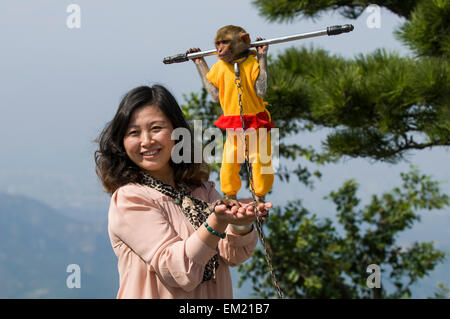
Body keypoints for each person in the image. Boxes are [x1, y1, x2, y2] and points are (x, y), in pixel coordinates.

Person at [95, 84, 272, 298]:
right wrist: (216, 222)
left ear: (177, 132)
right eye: (133, 132)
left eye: (156, 128)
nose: (146, 141)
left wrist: (240, 223)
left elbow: (232, 255)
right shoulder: (130, 199)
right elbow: (176, 269)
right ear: (122, 142)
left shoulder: (201, 190)